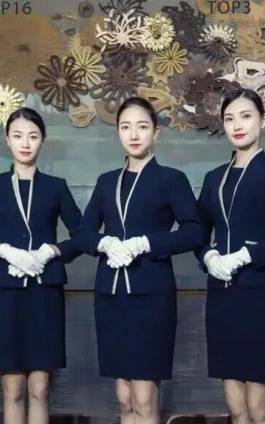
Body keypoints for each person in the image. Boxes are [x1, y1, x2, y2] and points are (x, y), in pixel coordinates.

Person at [74, 97, 203, 424]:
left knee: (144, 399)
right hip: (110, 296)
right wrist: (104, 242)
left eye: (142, 127)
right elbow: (82, 233)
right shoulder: (106, 181)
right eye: (126, 127)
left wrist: (147, 243)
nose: (133, 134)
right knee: (124, 399)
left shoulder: (171, 179)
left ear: (156, 132)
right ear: (117, 132)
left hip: (152, 296)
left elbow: (195, 231)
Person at [0, 107, 82, 424]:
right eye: (18, 136)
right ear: (7, 140)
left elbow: (84, 236)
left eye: (33, 136)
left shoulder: (56, 186)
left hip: (45, 293)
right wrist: (3, 250)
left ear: (42, 140)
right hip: (6, 293)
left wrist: (52, 250)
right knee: (12, 388)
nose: (25, 143)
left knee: (40, 388)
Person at [195, 88, 265, 424]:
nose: (237, 125)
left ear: (263, 120)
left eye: (246, 116)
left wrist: (248, 255)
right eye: (230, 118)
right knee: (236, 409)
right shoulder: (214, 177)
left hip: (260, 295)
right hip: (221, 298)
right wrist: (209, 257)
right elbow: (196, 232)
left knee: (259, 408)